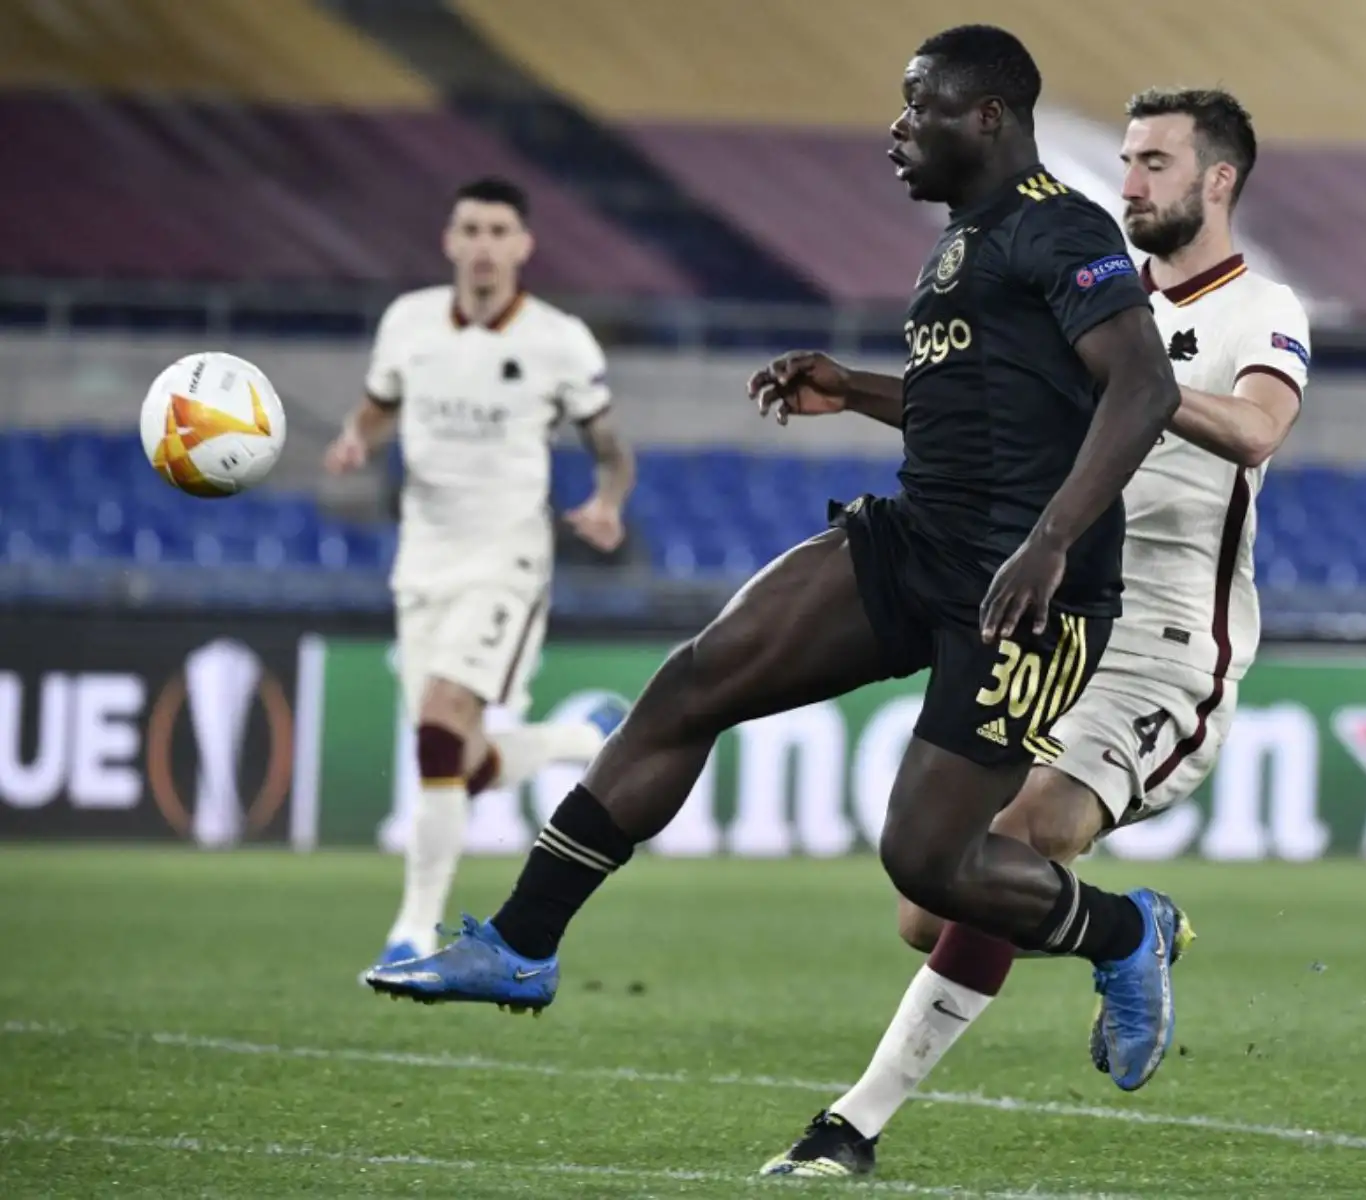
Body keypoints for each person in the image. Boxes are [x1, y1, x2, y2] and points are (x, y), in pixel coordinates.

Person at [367, 25, 1189, 1091]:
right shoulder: (963, 242)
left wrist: (1048, 543)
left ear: (988, 117)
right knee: (690, 683)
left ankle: (1124, 933)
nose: (897, 128)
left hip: (1032, 591)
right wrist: (853, 389)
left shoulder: (1058, 226)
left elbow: (1143, 388)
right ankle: (521, 942)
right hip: (924, 540)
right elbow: (989, 410)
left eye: (921, 106)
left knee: (927, 865)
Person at [761, 87, 1311, 1178]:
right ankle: (1132, 928)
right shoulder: (1093, 296)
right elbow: (999, 415)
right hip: (1057, 614)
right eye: (1125, 159)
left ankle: (852, 1126)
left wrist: (1138, 389)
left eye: (1155, 161)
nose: (1130, 180)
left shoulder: (1263, 307)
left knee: (1017, 842)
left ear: (1219, 181)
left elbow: (1254, 429)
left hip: (1163, 646)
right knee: (938, 903)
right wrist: (857, 390)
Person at [324, 176, 636, 976]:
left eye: (500, 230)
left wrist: (605, 500)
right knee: (452, 758)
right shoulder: (408, 323)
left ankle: (411, 931)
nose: (485, 244)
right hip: (421, 561)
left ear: (523, 245)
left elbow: (609, 445)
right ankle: (579, 740)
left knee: (437, 720)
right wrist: (357, 441)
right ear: (450, 240)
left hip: (508, 559)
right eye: (472, 228)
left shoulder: (559, 340)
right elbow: (377, 404)